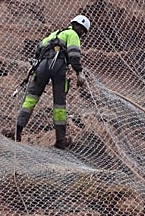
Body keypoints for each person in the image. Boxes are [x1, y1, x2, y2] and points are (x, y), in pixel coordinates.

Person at [6, 15, 90, 148]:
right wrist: (79, 72)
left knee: (30, 99)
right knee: (59, 105)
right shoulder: (72, 35)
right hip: (59, 66)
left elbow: (38, 48)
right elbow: (74, 56)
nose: (80, 32)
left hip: (42, 66)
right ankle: (60, 141)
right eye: (82, 31)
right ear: (81, 30)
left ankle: (17, 131)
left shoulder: (54, 34)